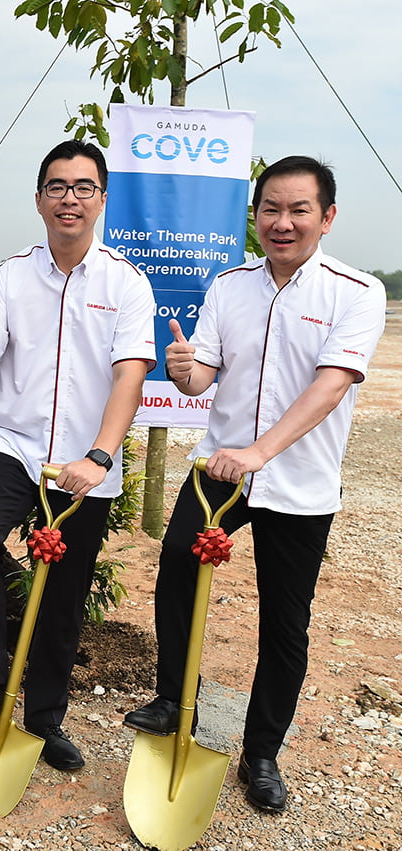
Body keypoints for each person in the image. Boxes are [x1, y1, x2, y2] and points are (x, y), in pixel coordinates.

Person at [124, 156, 386, 812]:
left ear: (326, 217)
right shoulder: (229, 285)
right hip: (219, 469)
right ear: (255, 214)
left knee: (284, 621)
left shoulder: (356, 292)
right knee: (179, 558)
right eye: (270, 208)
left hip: (299, 482)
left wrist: (261, 450)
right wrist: (182, 368)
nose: (282, 221)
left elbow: (330, 386)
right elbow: (201, 378)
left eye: (299, 209)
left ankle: (261, 751)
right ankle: (172, 697)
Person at [0, 140, 156, 772]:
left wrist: (100, 457)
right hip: (15, 444)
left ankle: (45, 719)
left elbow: (129, 376)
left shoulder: (126, 283)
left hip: (87, 461)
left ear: (101, 199)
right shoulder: (11, 275)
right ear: (39, 200)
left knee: (64, 592)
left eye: (83, 187)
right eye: (57, 186)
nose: (70, 198)